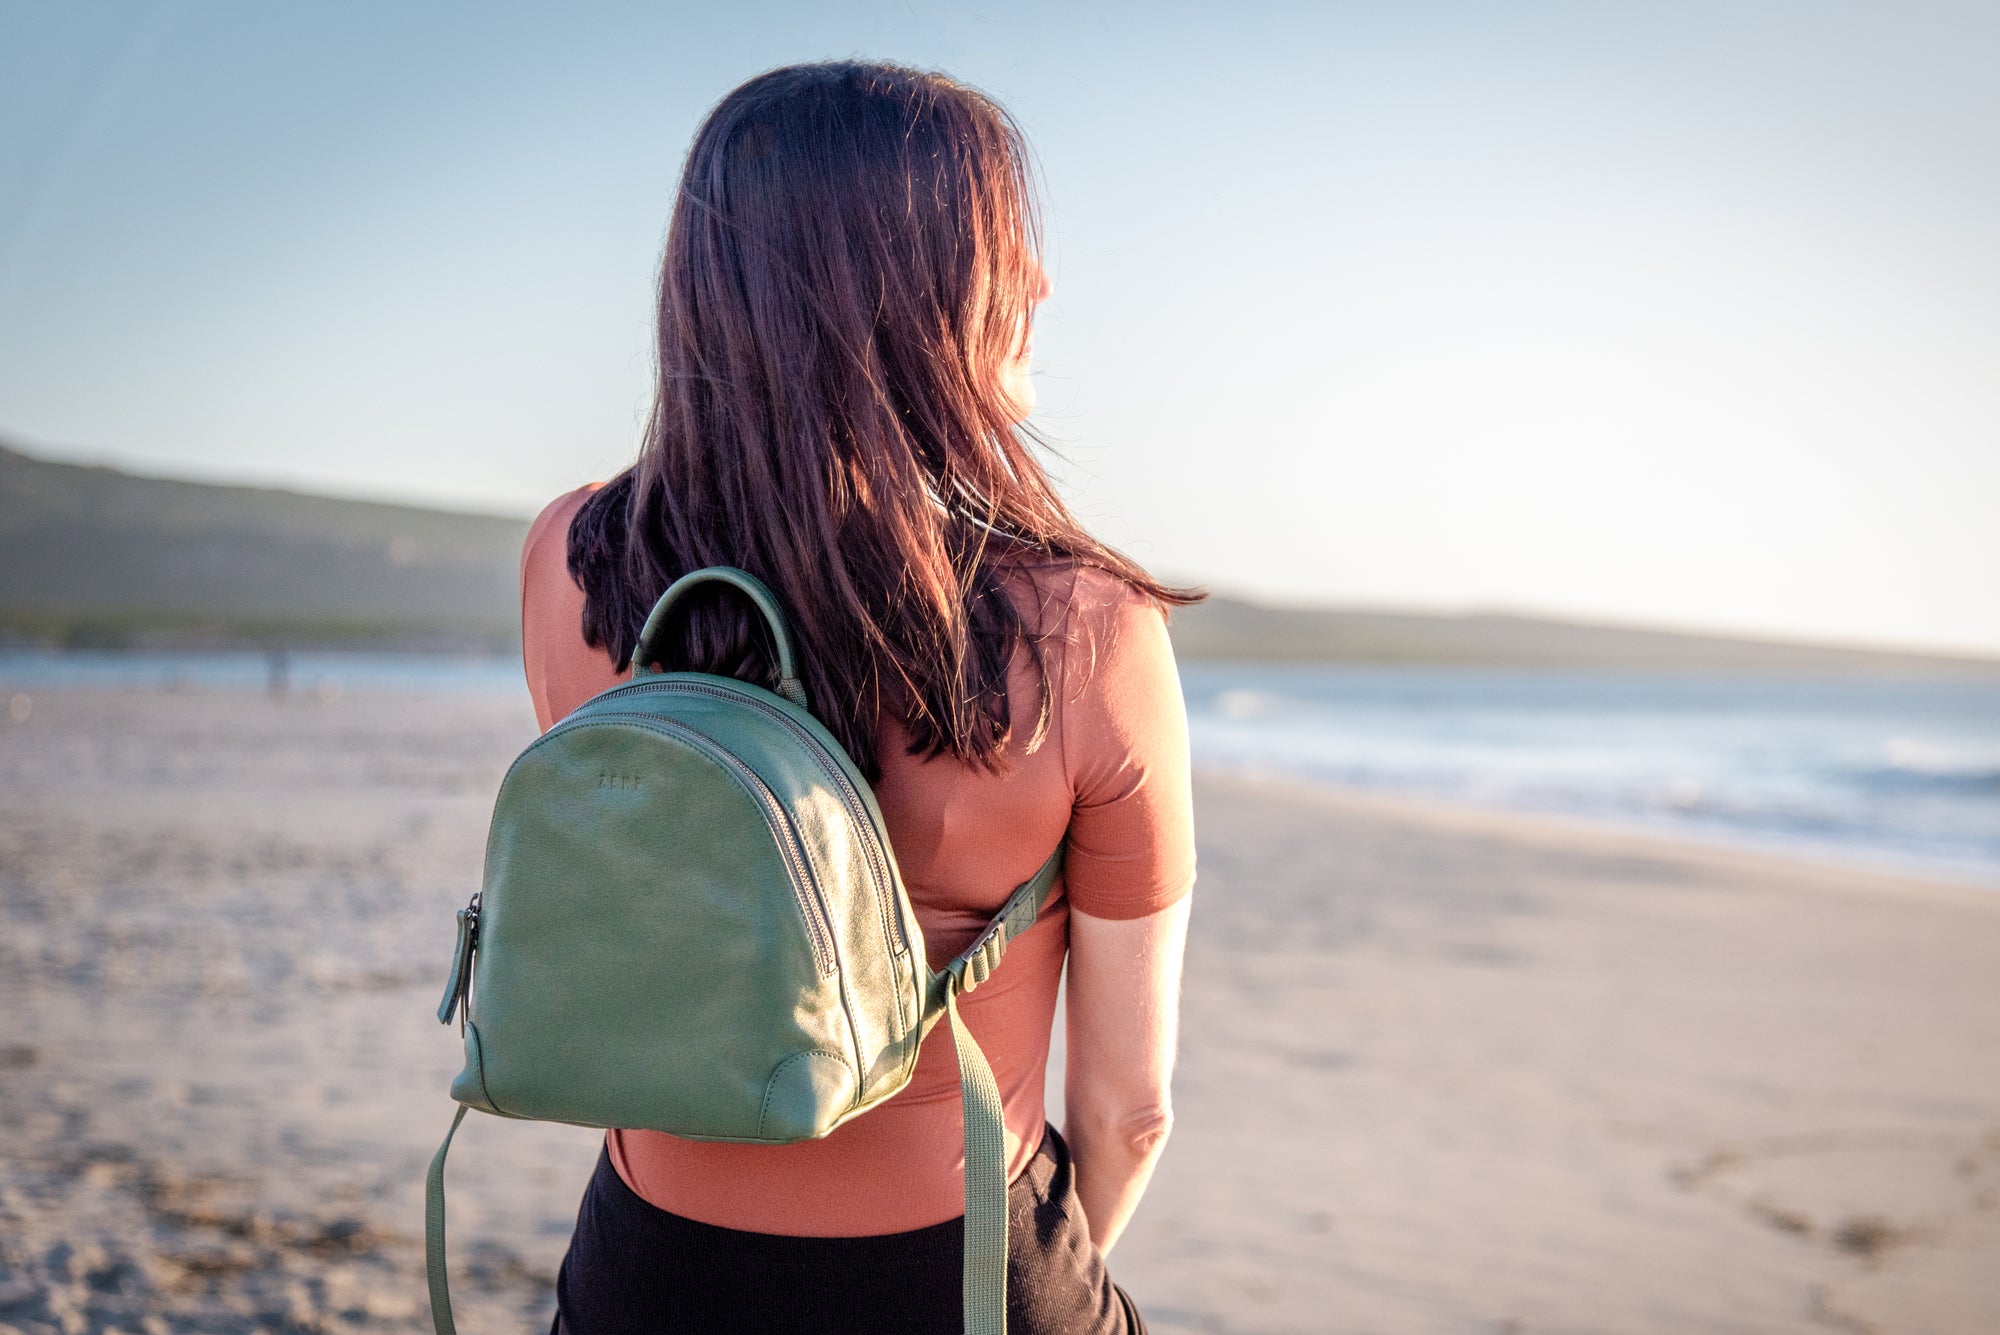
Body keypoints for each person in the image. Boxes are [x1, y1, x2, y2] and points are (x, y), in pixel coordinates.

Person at [517, 60, 1198, 1335]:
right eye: (1001, 246)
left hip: (653, 1265)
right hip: (961, 1265)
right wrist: (1029, 1279)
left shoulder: (571, 561)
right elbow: (1127, 1111)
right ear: (902, 285)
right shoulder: (1084, 628)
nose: (1040, 285)